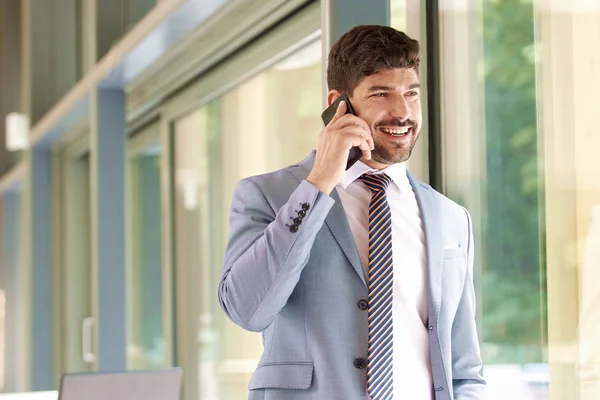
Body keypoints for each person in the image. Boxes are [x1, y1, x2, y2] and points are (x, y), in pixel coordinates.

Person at [218, 25, 485, 400]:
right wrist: (318, 184)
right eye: (381, 93)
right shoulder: (269, 195)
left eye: (411, 93)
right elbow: (248, 310)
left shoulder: (451, 217)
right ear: (339, 104)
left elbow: (464, 368)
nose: (402, 112)